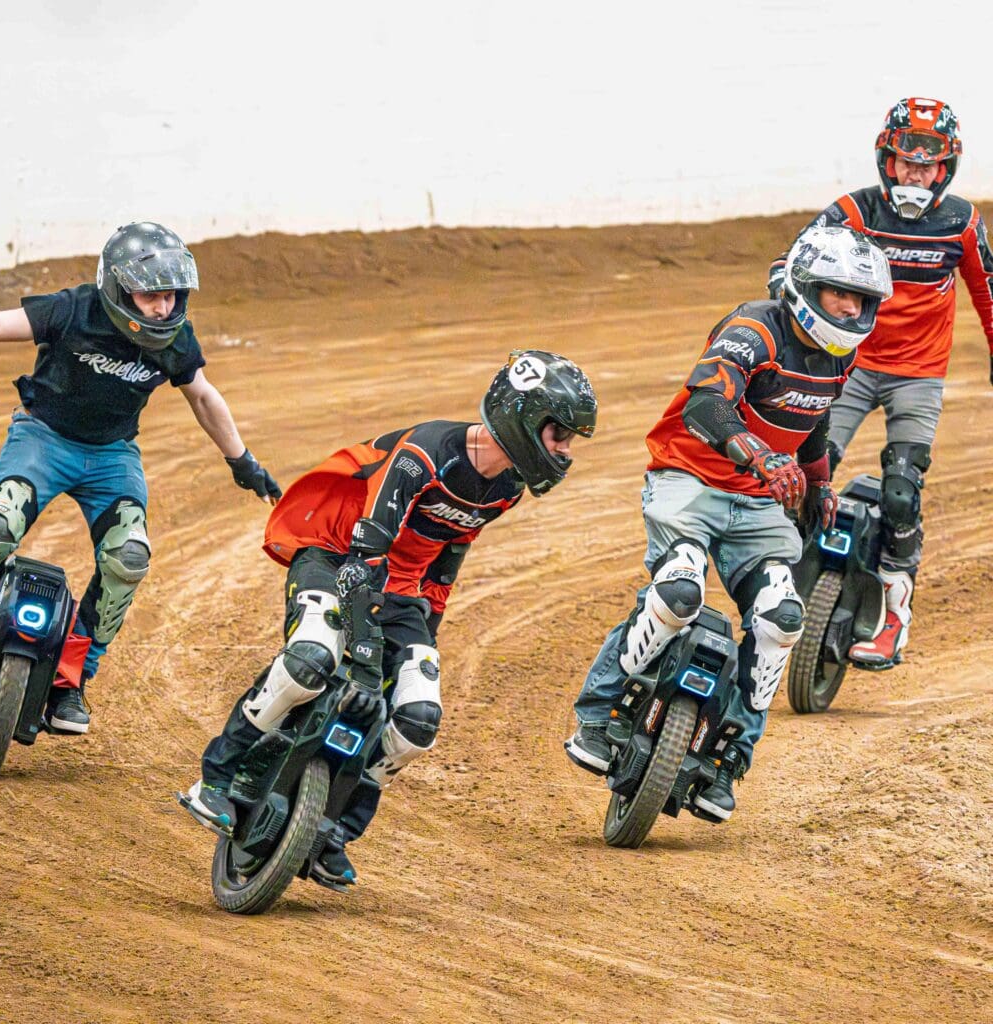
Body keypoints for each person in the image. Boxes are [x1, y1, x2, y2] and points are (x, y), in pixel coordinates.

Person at [185, 350, 597, 888]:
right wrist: (364, 653)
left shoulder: (506, 489)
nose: (564, 451)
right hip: (334, 553)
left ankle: (334, 828)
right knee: (312, 657)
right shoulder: (424, 454)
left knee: (417, 718)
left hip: (399, 588)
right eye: (559, 435)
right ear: (523, 417)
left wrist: (422, 638)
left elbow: (449, 557)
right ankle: (218, 775)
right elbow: (366, 556)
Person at [566, 226, 892, 821]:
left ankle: (729, 755)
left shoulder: (842, 357)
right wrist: (762, 457)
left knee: (781, 619)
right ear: (803, 287)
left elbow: (812, 421)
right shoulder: (755, 328)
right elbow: (704, 404)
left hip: (761, 502)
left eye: (862, 300)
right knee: (677, 592)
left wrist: (819, 482)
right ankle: (596, 716)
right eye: (837, 294)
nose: (851, 309)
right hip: (689, 479)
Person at [0, 222, 280, 733]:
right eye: (150, 295)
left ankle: (70, 681)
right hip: (43, 439)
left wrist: (242, 461)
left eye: (172, 295)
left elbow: (202, 394)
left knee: (128, 556)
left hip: (111, 456)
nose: (163, 307)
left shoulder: (175, 337)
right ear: (116, 287)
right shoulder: (73, 309)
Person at [767, 98, 993, 670]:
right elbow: (790, 260)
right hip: (850, 367)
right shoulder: (853, 211)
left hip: (919, 375)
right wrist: (781, 304)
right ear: (887, 162)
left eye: (928, 165)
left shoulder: (963, 223)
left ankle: (895, 615)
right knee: (805, 471)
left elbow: (988, 292)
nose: (915, 175)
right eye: (905, 163)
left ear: (945, 170)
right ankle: (782, 584)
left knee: (901, 490)